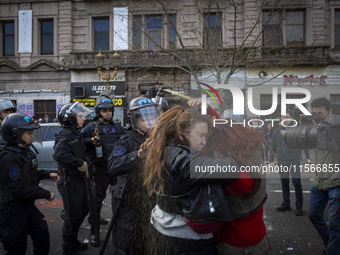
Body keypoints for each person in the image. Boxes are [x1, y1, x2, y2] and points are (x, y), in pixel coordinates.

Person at [144, 106, 240, 255]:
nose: (204, 142)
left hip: (163, 228)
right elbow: (231, 169)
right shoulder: (184, 161)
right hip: (185, 239)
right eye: (201, 135)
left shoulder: (168, 148)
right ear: (183, 132)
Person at [206, 123, 270, 255]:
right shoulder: (253, 154)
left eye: (215, 149)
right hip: (259, 238)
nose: (214, 153)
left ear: (226, 145)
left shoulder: (235, 178)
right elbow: (224, 129)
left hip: (234, 244)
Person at [107, 96, 159, 255]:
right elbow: (112, 165)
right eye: (144, 118)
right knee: (126, 241)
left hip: (150, 197)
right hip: (128, 197)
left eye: (152, 116)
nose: (150, 121)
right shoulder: (126, 140)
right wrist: (137, 156)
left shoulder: (158, 137)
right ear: (134, 121)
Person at [0, 113, 57, 254]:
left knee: (41, 234)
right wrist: (45, 193)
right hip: (12, 210)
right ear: (15, 135)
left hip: (27, 206)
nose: (33, 136)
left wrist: (47, 174)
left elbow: (30, 172)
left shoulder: (25, 151)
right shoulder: (9, 158)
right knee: (17, 248)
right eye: (29, 133)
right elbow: (19, 189)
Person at [81, 95, 124, 245]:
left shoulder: (118, 127)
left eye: (110, 111)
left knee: (120, 200)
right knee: (96, 202)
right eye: (104, 111)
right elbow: (79, 145)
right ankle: (95, 232)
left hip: (116, 169)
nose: (107, 113)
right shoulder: (90, 128)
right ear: (98, 112)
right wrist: (89, 142)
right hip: (99, 170)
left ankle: (121, 232)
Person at [53, 102, 95, 255]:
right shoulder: (65, 133)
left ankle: (73, 240)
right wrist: (79, 163)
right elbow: (59, 154)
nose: (84, 118)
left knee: (83, 210)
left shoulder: (74, 132)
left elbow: (76, 146)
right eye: (80, 116)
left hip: (78, 180)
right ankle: (67, 248)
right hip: (70, 181)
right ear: (70, 118)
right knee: (72, 215)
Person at [307, 97, 340, 255]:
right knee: (313, 215)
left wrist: (330, 139)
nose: (317, 117)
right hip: (318, 181)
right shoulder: (317, 128)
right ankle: (331, 245)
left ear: (330, 112)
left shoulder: (338, 128)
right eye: (315, 114)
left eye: (320, 114)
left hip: (337, 182)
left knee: (335, 225)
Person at [271, 110, 303, 216]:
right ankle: (286, 204)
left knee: (296, 182)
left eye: (287, 117)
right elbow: (273, 147)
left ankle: (299, 206)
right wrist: (273, 160)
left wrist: (288, 134)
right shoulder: (276, 132)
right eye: (283, 117)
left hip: (294, 160)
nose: (285, 119)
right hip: (282, 161)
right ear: (281, 119)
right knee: (284, 183)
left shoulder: (296, 130)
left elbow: (301, 145)